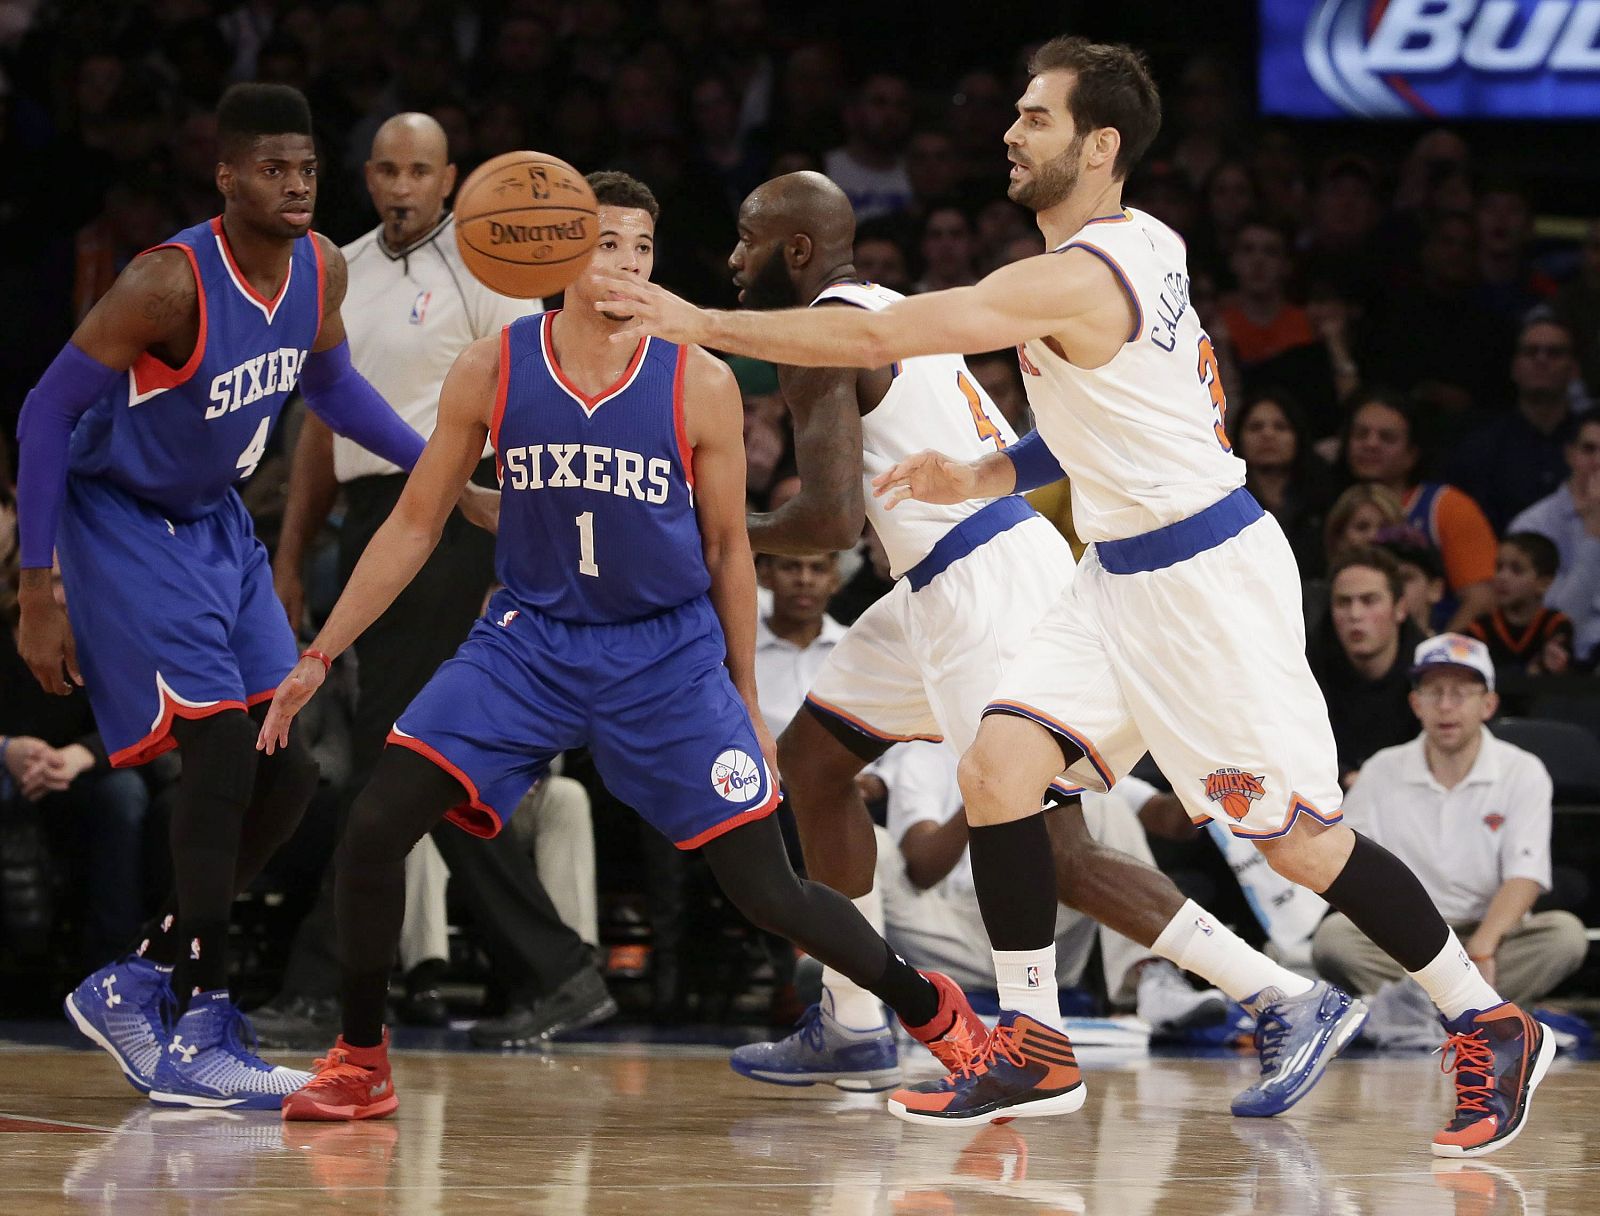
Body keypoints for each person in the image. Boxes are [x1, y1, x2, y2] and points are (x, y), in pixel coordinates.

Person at [598, 38, 1555, 1154]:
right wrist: (987, 472)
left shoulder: (1074, 272)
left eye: (1036, 118)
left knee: (1296, 842)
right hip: (1113, 575)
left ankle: (1484, 1019)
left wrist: (693, 320)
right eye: (1014, 112)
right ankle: (1035, 1048)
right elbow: (1108, 419)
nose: (1010, 131)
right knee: (997, 770)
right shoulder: (1135, 248)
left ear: (1099, 146)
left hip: (1203, 584)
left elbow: (875, 333)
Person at [258, 172, 985, 1122]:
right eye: (608, 243)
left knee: (767, 888)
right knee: (376, 824)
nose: (629, 264)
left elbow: (729, 550)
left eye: (643, 247)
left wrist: (741, 697)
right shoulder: (493, 365)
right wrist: (318, 654)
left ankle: (941, 1016)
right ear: (559, 253)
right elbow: (414, 522)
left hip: (666, 657)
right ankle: (359, 1059)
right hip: (528, 643)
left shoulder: (700, 379)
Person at [716, 170, 1332, 1108]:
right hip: (945, 577)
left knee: (1056, 849)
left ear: (794, 252)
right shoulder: (883, 302)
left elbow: (832, 523)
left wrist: (710, 526)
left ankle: (1284, 994)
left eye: (745, 240)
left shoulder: (824, 339)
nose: (730, 260)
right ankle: (851, 1019)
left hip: (985, 586)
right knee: (813, 760)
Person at [14, 84, 432, 1109]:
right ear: (229, 175)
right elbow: (41, 413)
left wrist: (436, 469)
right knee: (213, 751)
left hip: (215, 523)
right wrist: (38, 589)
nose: (296, 186)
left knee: (283, 765)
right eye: (274, 169)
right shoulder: (166, 283)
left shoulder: (321, 267)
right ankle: (202, 1018)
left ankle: (132, 980)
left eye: (307, 169)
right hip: (122, 521)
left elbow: (329, 390)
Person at [258, 112, 613, 1053]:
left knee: (394, 757)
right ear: (365, 178)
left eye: (420, 170)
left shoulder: (493, 267)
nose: (403, 186)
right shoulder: (341, 270)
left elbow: (528, 400)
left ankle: (324, 985)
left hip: (462, 517)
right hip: (375, 524)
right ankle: (556, 971)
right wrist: (293, 559)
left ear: (452, 178)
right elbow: (320, 433)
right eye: (386, 170)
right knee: (423, 763)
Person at [874, 741, 1227, 1036]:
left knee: (1106, 807)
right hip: (948, 930)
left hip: (1037, 923)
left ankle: (1153, 982)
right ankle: (859, 1009)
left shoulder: (1055, 744)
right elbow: (921, 869)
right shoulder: (925, 754)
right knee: (875, 845)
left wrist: (1209, 761)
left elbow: (1173, 823)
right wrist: (991, 784)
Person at [1313, 635, 1587, 1012]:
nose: (1445, 706)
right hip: (1406, 937)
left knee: (1565, 936)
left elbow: (1526, 875)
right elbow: (1347, 862)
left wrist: (1482, 948)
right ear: (1415, 703)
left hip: (1489, 933)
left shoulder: (1522, 771)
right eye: (1433, 692)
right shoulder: (1381, 770)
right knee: (1334, 940)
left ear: (1488, 704)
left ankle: (1418, 1009)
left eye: (1460, 693)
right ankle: (1474, 1009)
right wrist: (1406, 937)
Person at [1340, 390, 1496, 631]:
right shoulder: (1334, 504)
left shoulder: (1447, 506)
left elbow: (1482, 600)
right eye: (1361, 434)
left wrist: (1433, 656)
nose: (1370, 444)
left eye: (1387, 437)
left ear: (1412, 454)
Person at [1446, 318, 1581, 532]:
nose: (1541, 359)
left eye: (1554, 352)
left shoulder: (1592, 444)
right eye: (1530, 352)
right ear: (1514, 367)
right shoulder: (1480, 447)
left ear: (1574, 369)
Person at [1310, 547, 1428, 787]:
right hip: (1330, 799)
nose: (1355, 614)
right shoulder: (1305, 667)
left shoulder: (1430, 670)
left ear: (1400, 608)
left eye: (1369, 600)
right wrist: (1343, 776)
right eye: (1343, 602)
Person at [1465, 534, 1573, 676]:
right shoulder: (1480, 628)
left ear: (1543, 583)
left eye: (1516, 570)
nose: (1502, 577)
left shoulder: (1556, 624)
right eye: (1499, 568)